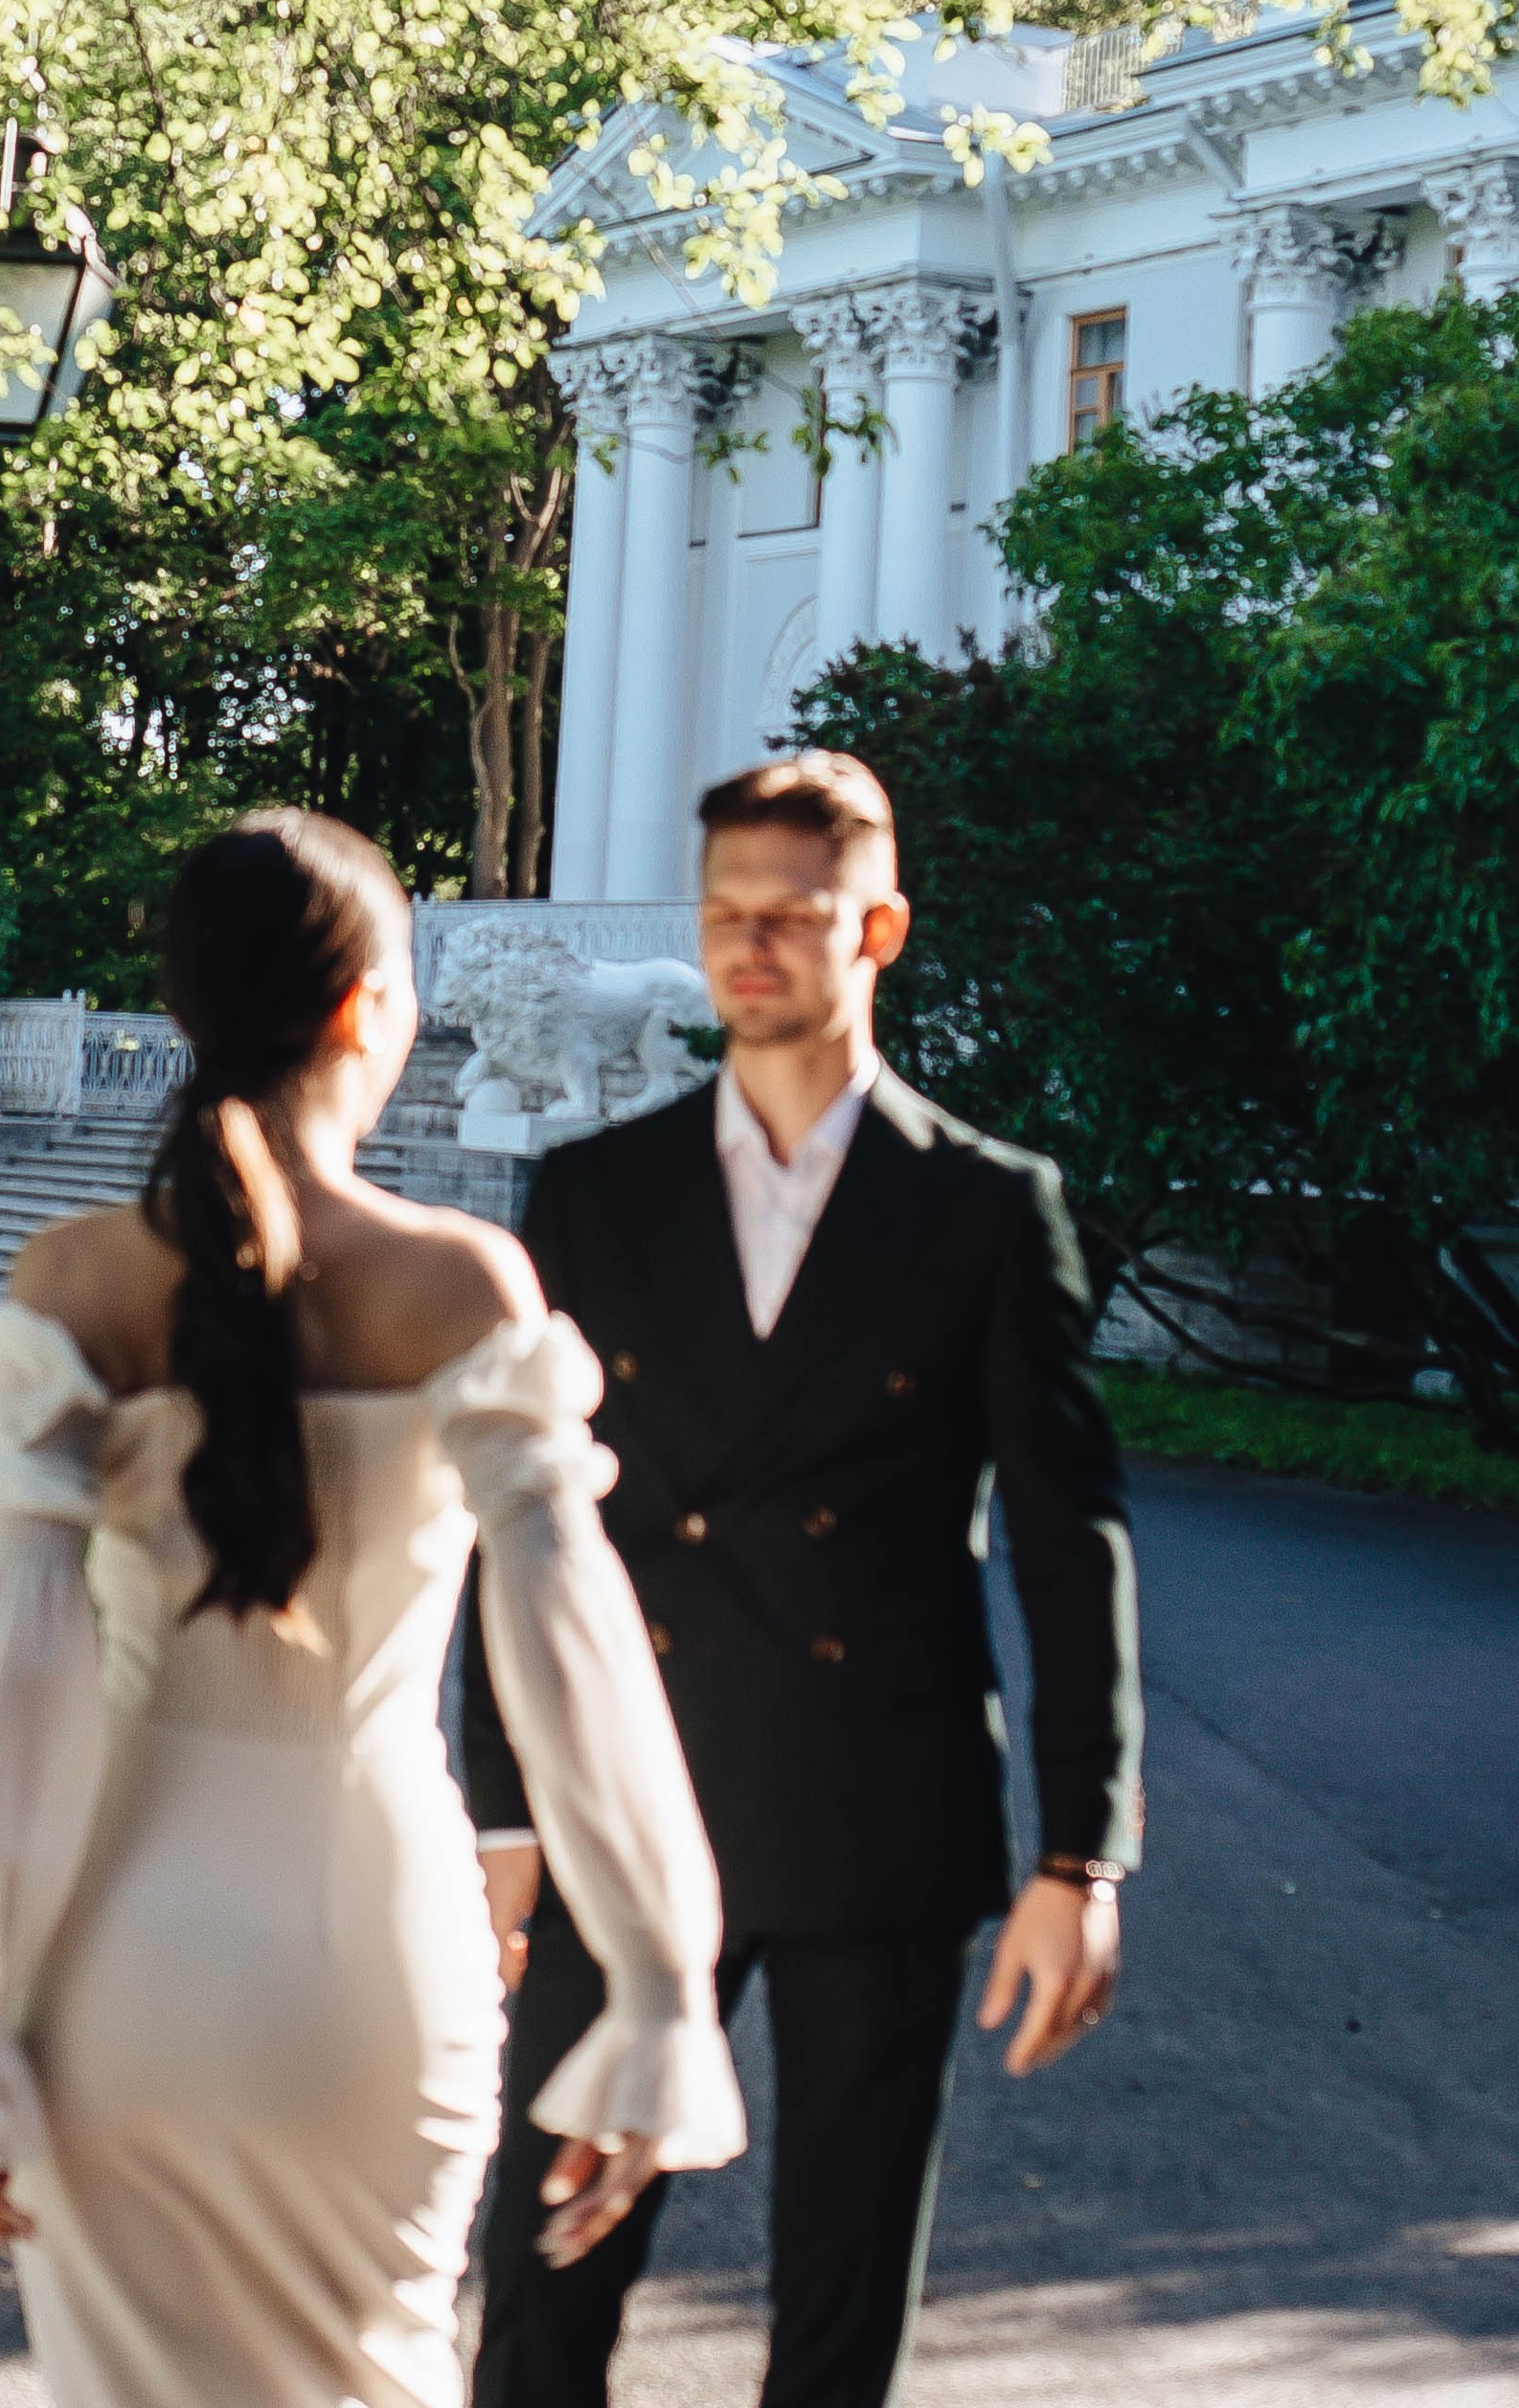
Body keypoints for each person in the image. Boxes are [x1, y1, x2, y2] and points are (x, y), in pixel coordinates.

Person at [0, 807, 747, 2408]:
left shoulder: (71, 1282)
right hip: (375, 1957)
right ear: (369, 1008)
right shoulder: (463, 1285)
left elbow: (4, 1684)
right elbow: (577, 1656)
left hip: (116, 1959)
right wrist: (657, 1984)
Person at [465, 751, 1144, 2408]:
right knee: (547, 2261)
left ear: (880, 928)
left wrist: (1081, 1853)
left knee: (843, 2293)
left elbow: (1072, 1545)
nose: (750, 949)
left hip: (878, 1805)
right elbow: (527, 1527)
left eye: (794, 916)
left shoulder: (991, 1210)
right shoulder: (593, 1194)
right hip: (628, 1788)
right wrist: (505, 1811)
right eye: (724, 916)